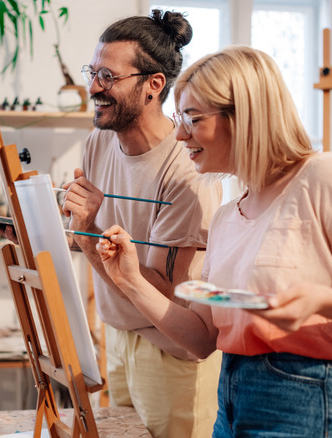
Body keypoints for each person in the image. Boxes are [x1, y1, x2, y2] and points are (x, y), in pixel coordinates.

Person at [94, 45, 332, 437]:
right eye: (178, 118)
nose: (180, 134)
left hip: (312, 396)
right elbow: (203, 339)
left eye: (192, 118)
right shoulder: (226, 217)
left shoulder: (329, 179)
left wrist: (322, 301)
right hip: (234, 400)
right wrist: (130, 280)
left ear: (245, 116)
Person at [60, 10, 224, 438]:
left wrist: (89, 230)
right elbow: (87, 241)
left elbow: (163, 290)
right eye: (92, 72)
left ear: (153, 85)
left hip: (171, 352)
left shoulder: (185, 172)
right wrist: (38, 227)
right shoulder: (99, 142)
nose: (94, 87)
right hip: (118, 335)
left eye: (108, 76)